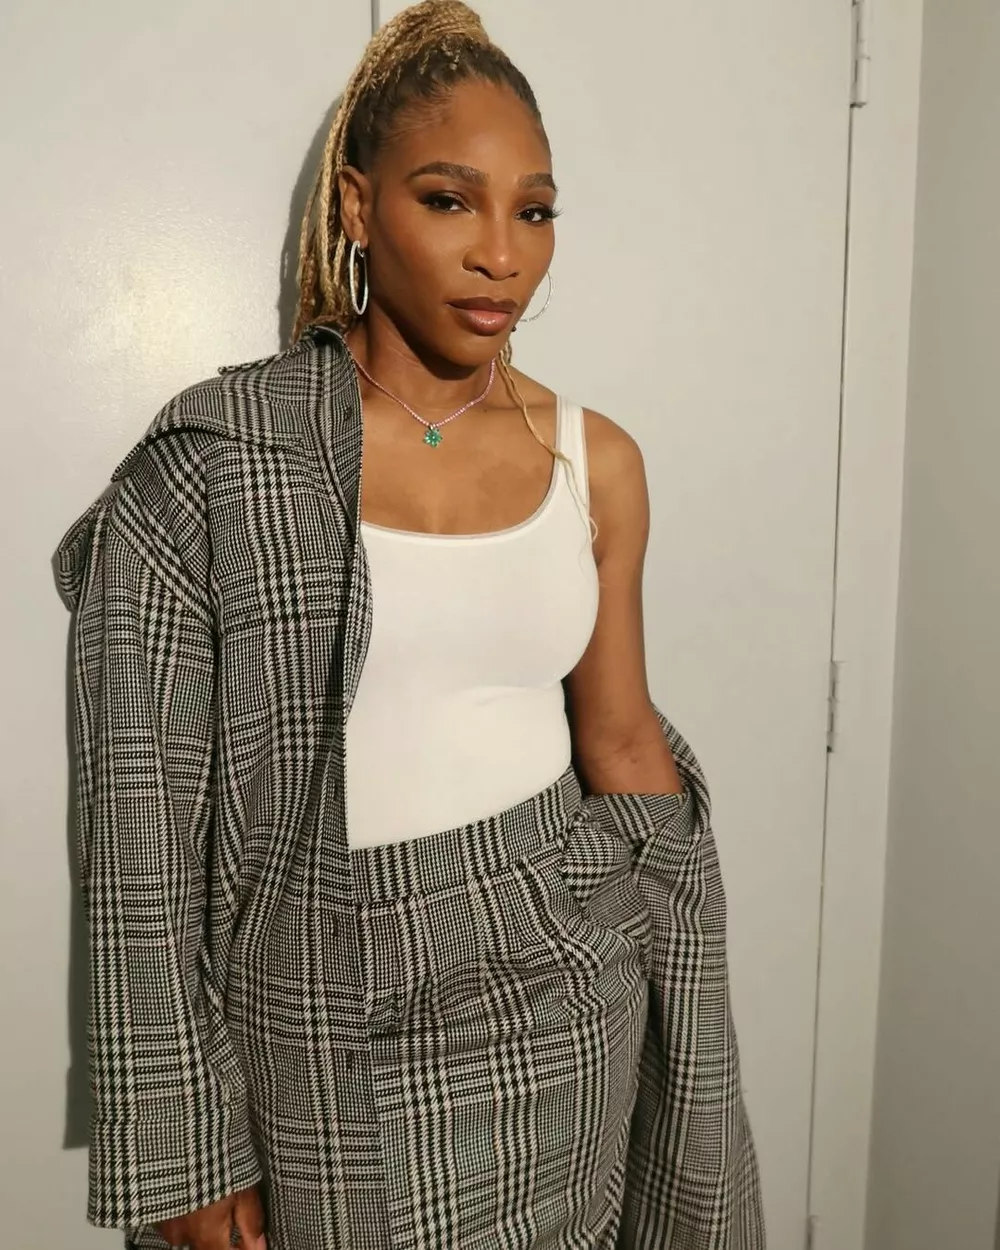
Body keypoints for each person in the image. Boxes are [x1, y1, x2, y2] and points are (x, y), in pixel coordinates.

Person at [55, 3, 764, 1248]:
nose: (501, 254)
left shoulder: (596, 462)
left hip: (563, 1006)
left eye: (533, 212)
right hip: (310, 1011)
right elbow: (138, 827)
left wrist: (684, 993)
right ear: (357, 205)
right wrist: (182, 1147)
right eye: (449, 200)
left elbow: (620, 739)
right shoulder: (217, 462)